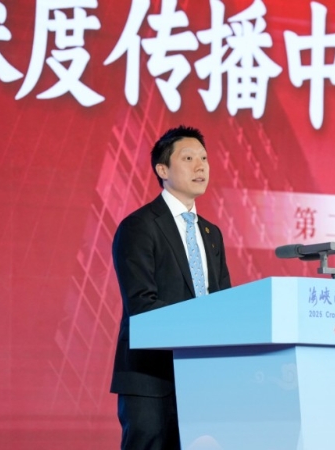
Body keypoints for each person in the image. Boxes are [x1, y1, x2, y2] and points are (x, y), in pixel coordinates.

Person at [110, 125, 232, 450]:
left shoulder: (212, 234)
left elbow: (222, 303)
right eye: (188, 158)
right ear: (162, 170)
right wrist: (200, 327)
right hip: (152, 377)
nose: (200, 166)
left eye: (204, 158)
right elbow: (141, 305)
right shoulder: (139, 226)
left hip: (202, 377)